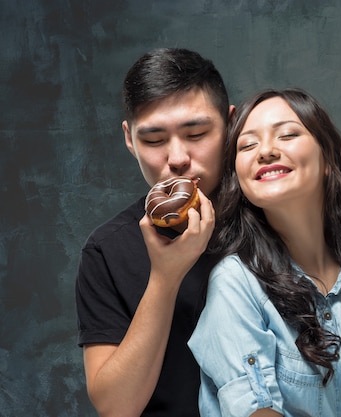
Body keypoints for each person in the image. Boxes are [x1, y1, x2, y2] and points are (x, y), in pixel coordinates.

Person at [188, 88, 341, 417]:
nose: (265, 151)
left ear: (328, 159)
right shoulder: (236, 283)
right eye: (247, 144)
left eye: (288, 134)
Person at [75, 47, 233, 417]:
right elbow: (116, 406)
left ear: (231, 124)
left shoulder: (274, 220)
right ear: (130, 139)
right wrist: (164, 278)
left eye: (196, 133)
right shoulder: (106, 251)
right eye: (155, 140)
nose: (177, 157)